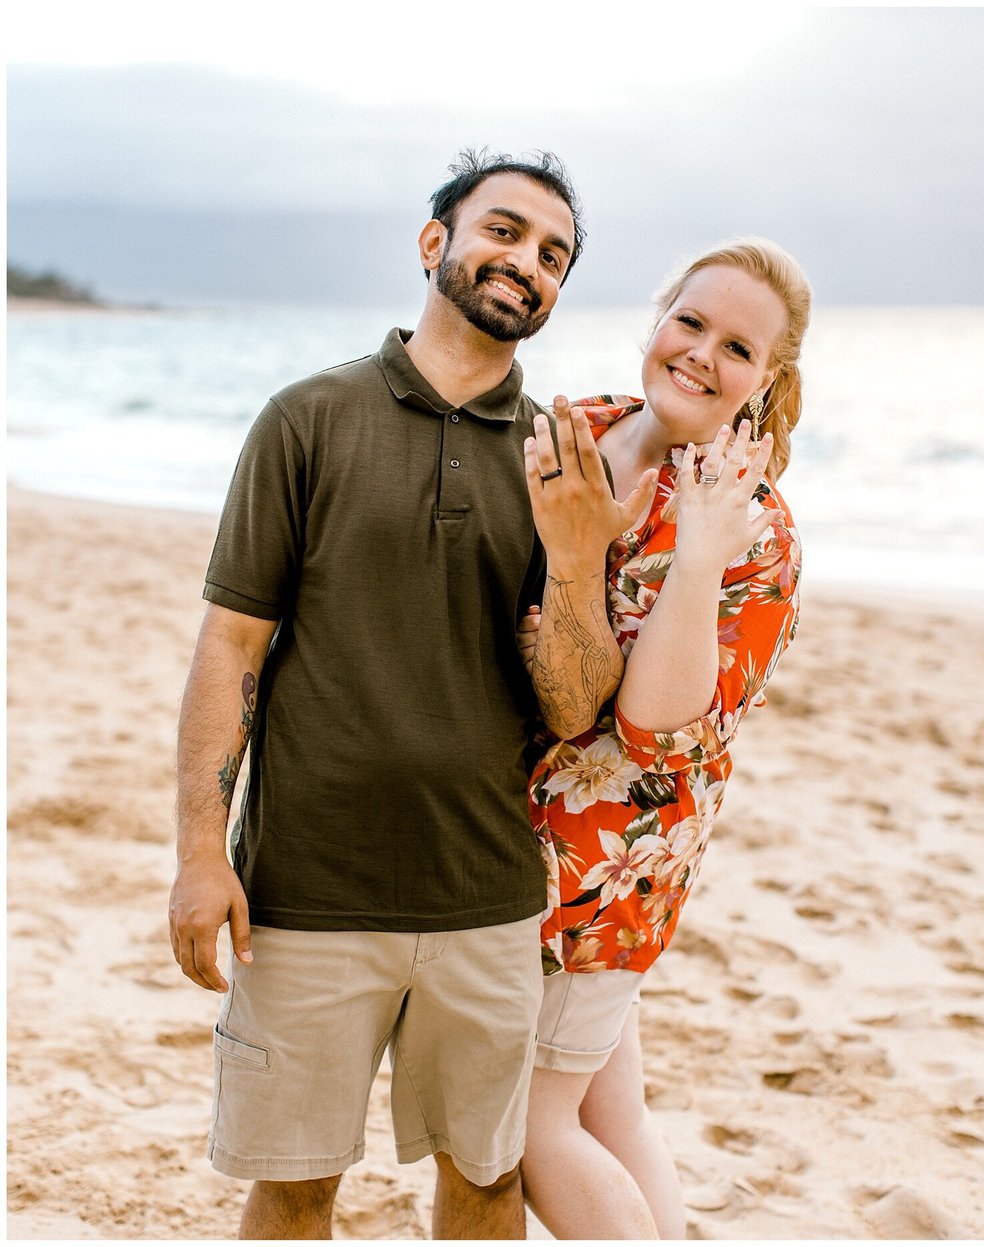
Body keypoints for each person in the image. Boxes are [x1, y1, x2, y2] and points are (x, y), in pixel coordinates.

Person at [167, 148, 655, 1242]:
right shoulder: (308, 418)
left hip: (483, 895)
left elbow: (575, 704)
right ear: (435, 241)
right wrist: (203, 850)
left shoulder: (561, 459)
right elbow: (230, 644)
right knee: (293, 1187)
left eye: (553, 255)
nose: (525, 262)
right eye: (504, 231)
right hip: (304, 894)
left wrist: (577, 559)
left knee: (484, 1185)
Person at [516, 239, 811, 1239]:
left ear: (764, 381)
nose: (699, 354)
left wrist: (697, 550)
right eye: (689, 321)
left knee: (529, 1125)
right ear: (655, 319)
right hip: (501, 829)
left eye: (736, 347)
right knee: (611, 1109)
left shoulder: (759, 533)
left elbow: (652, 730)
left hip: (603, 871)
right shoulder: (571, 431)